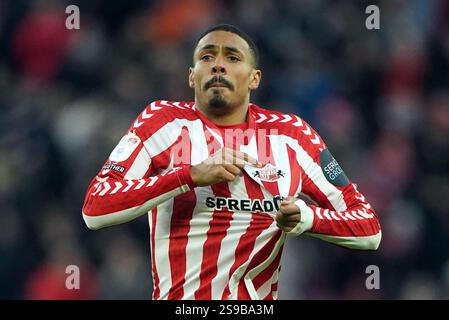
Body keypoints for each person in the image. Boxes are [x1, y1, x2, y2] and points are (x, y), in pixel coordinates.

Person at [82, 24, 381, 300]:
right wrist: (187, 176)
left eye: (233, 57)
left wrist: (306, 219)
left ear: (255, 78)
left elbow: (368, 228)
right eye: (207, 56)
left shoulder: (291, 136)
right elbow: (95, 208)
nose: (218, 64)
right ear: (191, 75)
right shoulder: (163, 122)